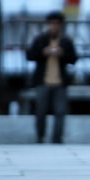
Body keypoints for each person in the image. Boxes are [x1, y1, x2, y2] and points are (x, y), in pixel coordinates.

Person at [26, 11, 78, 144]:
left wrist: (62, 54)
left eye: (57, 24)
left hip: (60, 81)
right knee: (40, 111)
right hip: (42, 81)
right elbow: (30, 55)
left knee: (60, 111)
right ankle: (40, 136)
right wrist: (43, 52)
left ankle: (57, 138)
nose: (54, 27)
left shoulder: (66, 41)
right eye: (51, 24)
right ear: (47, 25)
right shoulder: (40, 39)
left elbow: (73, 59)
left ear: (61, 25)